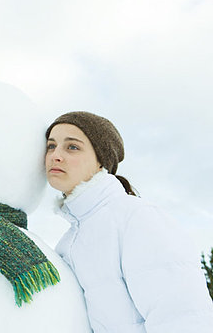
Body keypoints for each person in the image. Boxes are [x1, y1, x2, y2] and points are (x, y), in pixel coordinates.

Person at [45, 111, 213, 333]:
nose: (56, 155)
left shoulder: (136, 218)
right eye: (51, 146)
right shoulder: (67, 243)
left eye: (72, 147)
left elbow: (183, 318)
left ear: (101, 162)